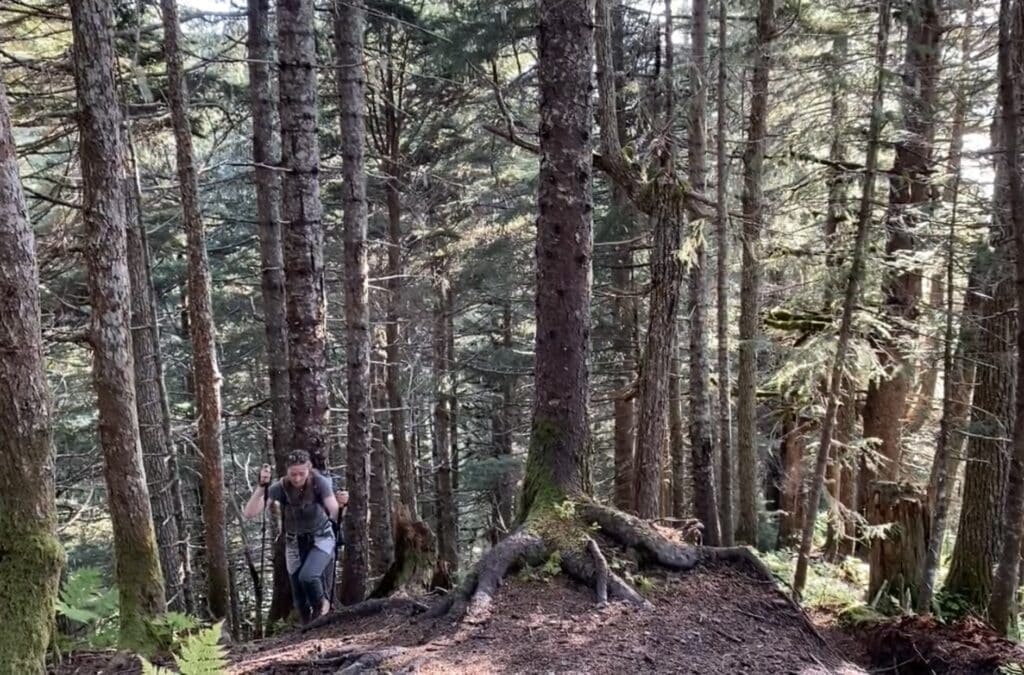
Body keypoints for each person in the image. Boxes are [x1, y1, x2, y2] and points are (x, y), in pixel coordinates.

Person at [243, 450, 349, 623]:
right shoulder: (282, 487)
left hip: (321, 538)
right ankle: (307, 628)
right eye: (293, 474)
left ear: (309, 469)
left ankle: (323, 609)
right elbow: (249, 513)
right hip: (294, 542)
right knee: (299, 598)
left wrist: (343, 504)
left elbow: (334, 512)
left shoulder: (319, 483)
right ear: (287, 471)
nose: (297, 478)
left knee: (308, 576)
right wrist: (262, 487)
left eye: (301, 473)